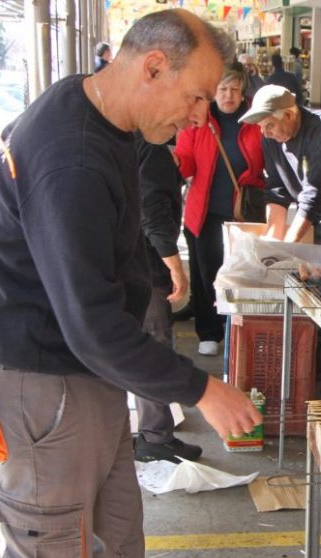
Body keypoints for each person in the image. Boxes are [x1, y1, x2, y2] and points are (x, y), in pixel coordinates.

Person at [0, 10, 261, 558]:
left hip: (87, 382)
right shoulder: (70, 153)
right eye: (194, 97)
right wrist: (199, 390)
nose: (197, 119)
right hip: (41, 389)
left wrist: (147, 267)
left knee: (117, 556)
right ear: (153, 66)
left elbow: (99, 243)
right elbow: (89, 323)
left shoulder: (102, 117)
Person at [176, 62, 266, 357]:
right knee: (207, 274)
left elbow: (269, 161)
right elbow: (186, 161)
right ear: (214, 91)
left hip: (244, 214)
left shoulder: (257, 120)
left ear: (243, 92)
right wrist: (172, 163)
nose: (228, 95)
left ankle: (238, 330)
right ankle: (209, 331)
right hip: (205, 212)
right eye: (223, 88)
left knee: (242, 274)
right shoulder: (199, 120)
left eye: (235, 89)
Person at [133, 134, 204, 463]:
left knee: (142, 344)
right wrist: (176, 268)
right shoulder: (151, 151)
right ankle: (155, 437)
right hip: (145, 266)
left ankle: (153, 431)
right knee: (153, 343)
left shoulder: (120, 138)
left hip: (126, 261)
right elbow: (154, 211)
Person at [240, 84, 321, 250]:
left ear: (289, 114)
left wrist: (287, 247)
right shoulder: (270, 138)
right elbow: (276, 188)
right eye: (260, 127)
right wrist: (273, 242)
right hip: (310, 219)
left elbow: (315, 192)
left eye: (269, 125)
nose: (265, 133)